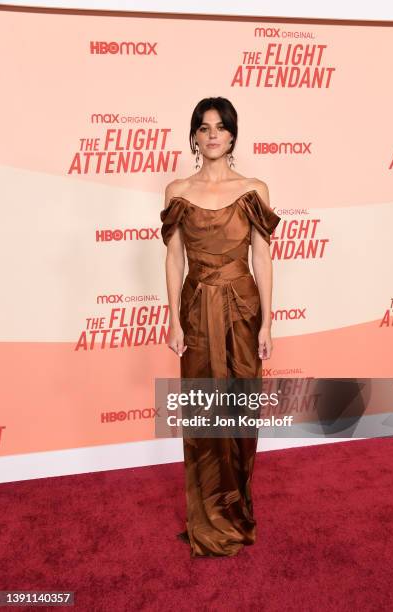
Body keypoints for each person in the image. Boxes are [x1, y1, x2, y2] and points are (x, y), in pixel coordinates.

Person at [160, 97, 281, 558]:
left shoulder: (254, 189)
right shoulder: (176, 190)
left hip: (243, 308)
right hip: (195, 309)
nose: (212, 134)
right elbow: (173, 258)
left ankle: (237, 508)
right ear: (194, 136)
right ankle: (209, 516)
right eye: (203, 127)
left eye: (220, 127)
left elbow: (263, 259)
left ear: (233, 135)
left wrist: (267, 321)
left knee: (240, 410)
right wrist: (172, 317)